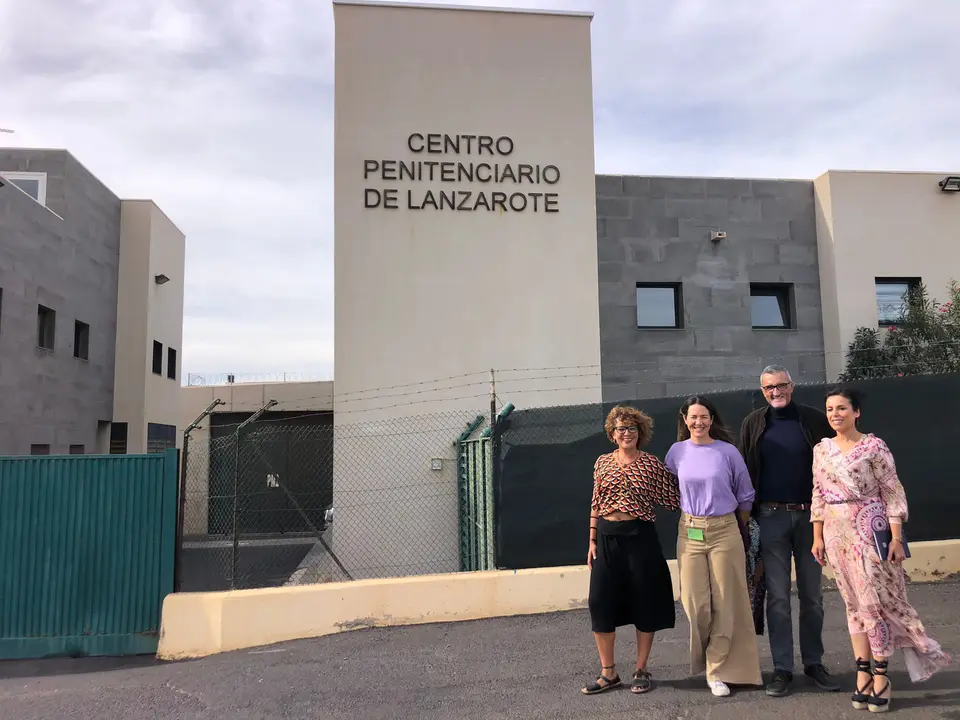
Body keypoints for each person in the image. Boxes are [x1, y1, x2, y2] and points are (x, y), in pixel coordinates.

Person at [811, 388, 951, 712]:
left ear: (856, 412)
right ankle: (862, 673)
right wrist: (817, 537)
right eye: (830, 409)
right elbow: (817, 494)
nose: (835, 414)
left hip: (870, 532)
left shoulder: (874, 447)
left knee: (875, 603)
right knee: (854, 605)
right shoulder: (821, 450)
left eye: (842, 408)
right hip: (836, 536)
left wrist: (897, 537)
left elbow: (892, 492)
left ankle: (882, 677)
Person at [738, 364, 840, 697]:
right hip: (770, 518)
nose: (776, 392)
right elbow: (744, 473)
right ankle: (782, 668)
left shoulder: (812, 419)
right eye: (769, 388)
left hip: (813, 519)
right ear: (762, 390)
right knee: (778, 598)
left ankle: (814, 662)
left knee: (812, 596)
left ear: (792, 386)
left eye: (781, 386)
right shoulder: (753, 424)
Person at [666, 396, 763, 697]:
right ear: (685, 420)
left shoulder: (728, 452)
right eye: (693, 417)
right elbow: (670, 487)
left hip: (725, 530)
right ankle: (707, 658)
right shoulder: (676, 452)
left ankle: (717, 669)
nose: (699, 422)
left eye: (704, 416)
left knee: (726, 601)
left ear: (712, 419)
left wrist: (741, 527)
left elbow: (745, 495)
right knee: (695, 604)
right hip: (690, 531)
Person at [582, 405, 681, 696]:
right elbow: (595, 502)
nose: (626, 433)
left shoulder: (651, 464)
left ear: (641, 433)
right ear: (612, 434)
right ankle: (608, 673)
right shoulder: (602, 463)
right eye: (621, 429)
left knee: (644, 601)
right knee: (599, 602)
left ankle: (641, 669)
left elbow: (673, 496)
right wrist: (592, 540)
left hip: (641, 538)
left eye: (632, 429)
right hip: (607, 537)